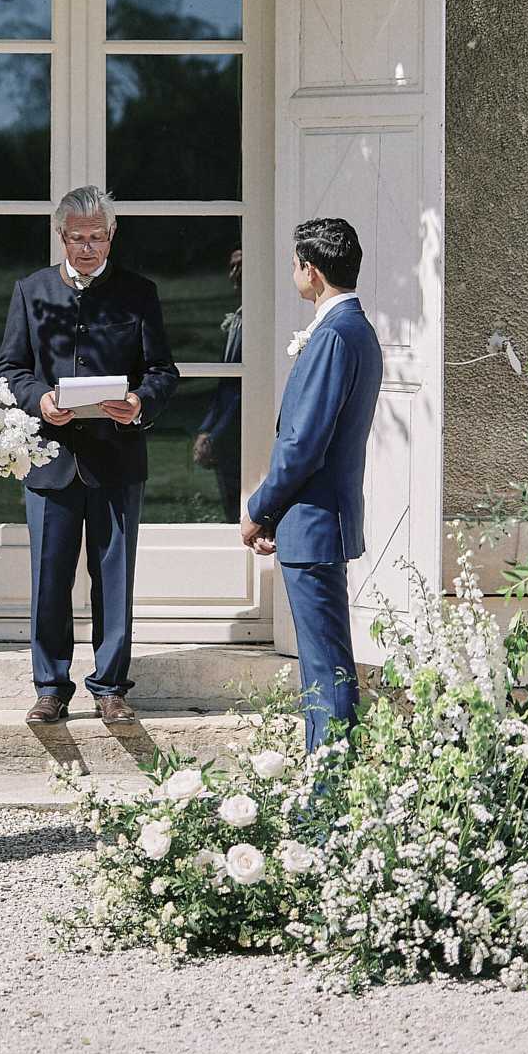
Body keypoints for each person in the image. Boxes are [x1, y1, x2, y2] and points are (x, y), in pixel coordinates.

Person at [0, 186, 178, 726]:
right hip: (49, 460)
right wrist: (39, 400)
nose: (88, 248)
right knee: (49, 579)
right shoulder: (32, 292)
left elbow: (164, 371)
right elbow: (10, 370)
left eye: (98, 237)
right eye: (78, 238)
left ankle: (111, 687)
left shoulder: (138, 292)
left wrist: (139, 402)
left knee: (114, 577)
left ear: (112, 235)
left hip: (117, 460)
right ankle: (50, 686)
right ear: (61, 236)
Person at [242, 217, 382, 751]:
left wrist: (259, 509)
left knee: (325, 670)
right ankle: (332, 793)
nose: (294, 273)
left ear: (312, 270)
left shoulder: (334, 336)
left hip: (314, 523)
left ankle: (329, 803)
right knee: (327, 665)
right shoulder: (355, 330)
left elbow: (303, 445)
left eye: (296, 264)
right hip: (319, 521)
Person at [193, 246, 242, 522]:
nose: (234, 274)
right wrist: (205, 429)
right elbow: (226, 384)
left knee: (239, 507)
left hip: (239, 432)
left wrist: (216, 435)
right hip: (225, 430)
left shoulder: (255, 323)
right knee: (229, 506)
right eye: (232, 266)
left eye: (241, 266)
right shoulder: (238, 319)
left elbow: (240, 393)